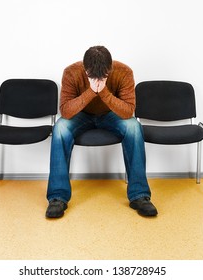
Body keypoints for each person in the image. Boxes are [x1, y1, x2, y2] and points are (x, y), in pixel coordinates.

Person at [46, 46, 157, 218]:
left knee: (134, 127)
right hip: (81, 116)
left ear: (110, 68)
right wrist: (91, 91)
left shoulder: (124, 72)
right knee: (60, 128)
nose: (98, 80)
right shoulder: (71, 72)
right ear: (85, 69)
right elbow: (66, 111)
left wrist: (103, 92)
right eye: (92, 76)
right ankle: (57, 197)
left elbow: (128, 111)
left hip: (111, 115)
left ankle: (139, 195)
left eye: (103, 76)